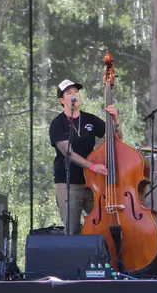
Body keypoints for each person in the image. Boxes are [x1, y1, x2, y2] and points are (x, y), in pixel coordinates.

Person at [48, 79, 121, 234]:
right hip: (69, 184)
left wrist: (115, 120)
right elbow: (68, 153)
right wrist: (92, 166)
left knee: (106, 224)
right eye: (69, 93)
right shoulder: (58, 123)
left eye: (76, 91)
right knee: (72, 230)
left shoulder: (90, 119)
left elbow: (116, 140)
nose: (74, 95)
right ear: (61, 100)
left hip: (93, 184)